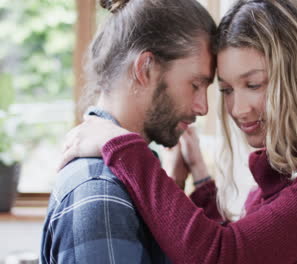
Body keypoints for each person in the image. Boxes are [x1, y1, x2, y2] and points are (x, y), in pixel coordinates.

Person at [60, 0, 297, 263]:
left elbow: (221, 255)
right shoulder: (286, 177)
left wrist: (121, 146)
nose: (238, 109)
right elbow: (239, 242)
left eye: (253, 84)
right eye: (225, 90)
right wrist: (200, 181)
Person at [40, 0, 216, 263]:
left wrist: (176, 185)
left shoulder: (124, 182)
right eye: (195, 85)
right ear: (145, 69)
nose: (203, 107)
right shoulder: (101, 195)